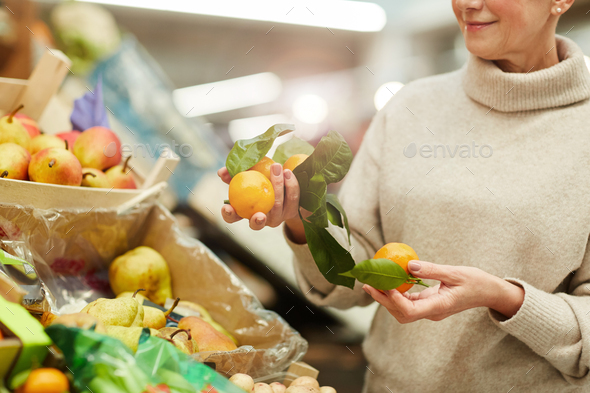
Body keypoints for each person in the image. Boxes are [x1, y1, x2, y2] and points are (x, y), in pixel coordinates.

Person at [219, 0, 590, 391]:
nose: (467, 4)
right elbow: (351, 276)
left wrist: (505, 298)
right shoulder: (408, 108)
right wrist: (301, 217)